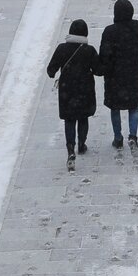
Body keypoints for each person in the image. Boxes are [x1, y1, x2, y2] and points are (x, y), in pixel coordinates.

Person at [46, 19, 99, 171]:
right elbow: (98, 69)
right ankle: (81, 145)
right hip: (85, 90)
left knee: (69, 119)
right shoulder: (89, 50)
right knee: (83, 118)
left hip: (67, 90)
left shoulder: (62, 49)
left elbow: (51, 70)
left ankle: (70, 150)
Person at [98, 0, 138, 153]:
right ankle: (133, 136)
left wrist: (105, 67)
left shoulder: (109, 31)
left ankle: (118, 138)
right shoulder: (137, 27)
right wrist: (133, 57)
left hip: (114, 76)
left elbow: (104, 55)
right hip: (132, 73)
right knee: (133, 106)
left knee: (115, 108)